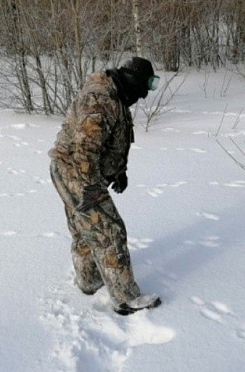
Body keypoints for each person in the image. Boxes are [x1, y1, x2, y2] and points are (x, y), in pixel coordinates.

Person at [49, 57, 161, 315]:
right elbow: (83, 150)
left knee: (84, 227)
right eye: (143, 90)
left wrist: (118, 172)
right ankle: (125, 298)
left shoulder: (115, 95)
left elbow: (111, 141)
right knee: (109, 231)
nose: (143, 97)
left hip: (71, 170)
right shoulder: (102, 101)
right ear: (132, 82)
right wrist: (89, 189)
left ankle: (89, 280)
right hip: (77, 172)